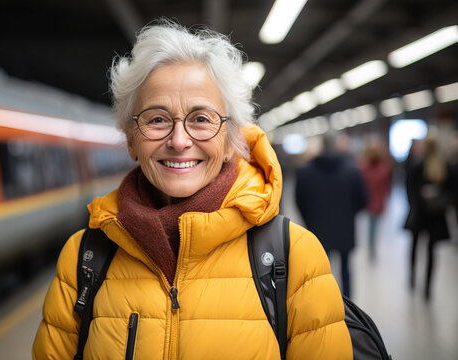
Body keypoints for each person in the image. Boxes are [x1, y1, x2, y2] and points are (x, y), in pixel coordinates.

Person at [32, 20, 352, 359]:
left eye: (201, 119)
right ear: (131, 141)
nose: (179, 141)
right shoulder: (84, 257)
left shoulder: (294, 257)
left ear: (231, 141)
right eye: (157, 119)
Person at [295, 131, 367, 298]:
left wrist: (310, 221)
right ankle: (348, 306)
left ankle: (324, 304)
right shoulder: (352, 170)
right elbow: (362, 200)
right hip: (345, 228)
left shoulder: (305, 172)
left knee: (321, 271)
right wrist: (348, 215)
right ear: (336, 145)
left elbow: (300, 201)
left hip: (318, 230)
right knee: (346, 268)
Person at [404, 134, 453, 300]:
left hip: (420, 214)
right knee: (431, 251)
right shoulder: (444, 166)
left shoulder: (418, 166)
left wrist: (417, 202)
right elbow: (452, 191)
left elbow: (410, 189)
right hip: (436, 216)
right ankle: (427, 287)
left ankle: (412, 276)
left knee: (415, 245)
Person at [357, 135, 393, 261]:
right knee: (373, 226)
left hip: (371, 201)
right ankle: (371, 247)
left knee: (372, 226)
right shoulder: (383, 168)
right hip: (374, 201)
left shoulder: (364, 167)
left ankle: (371, 247)